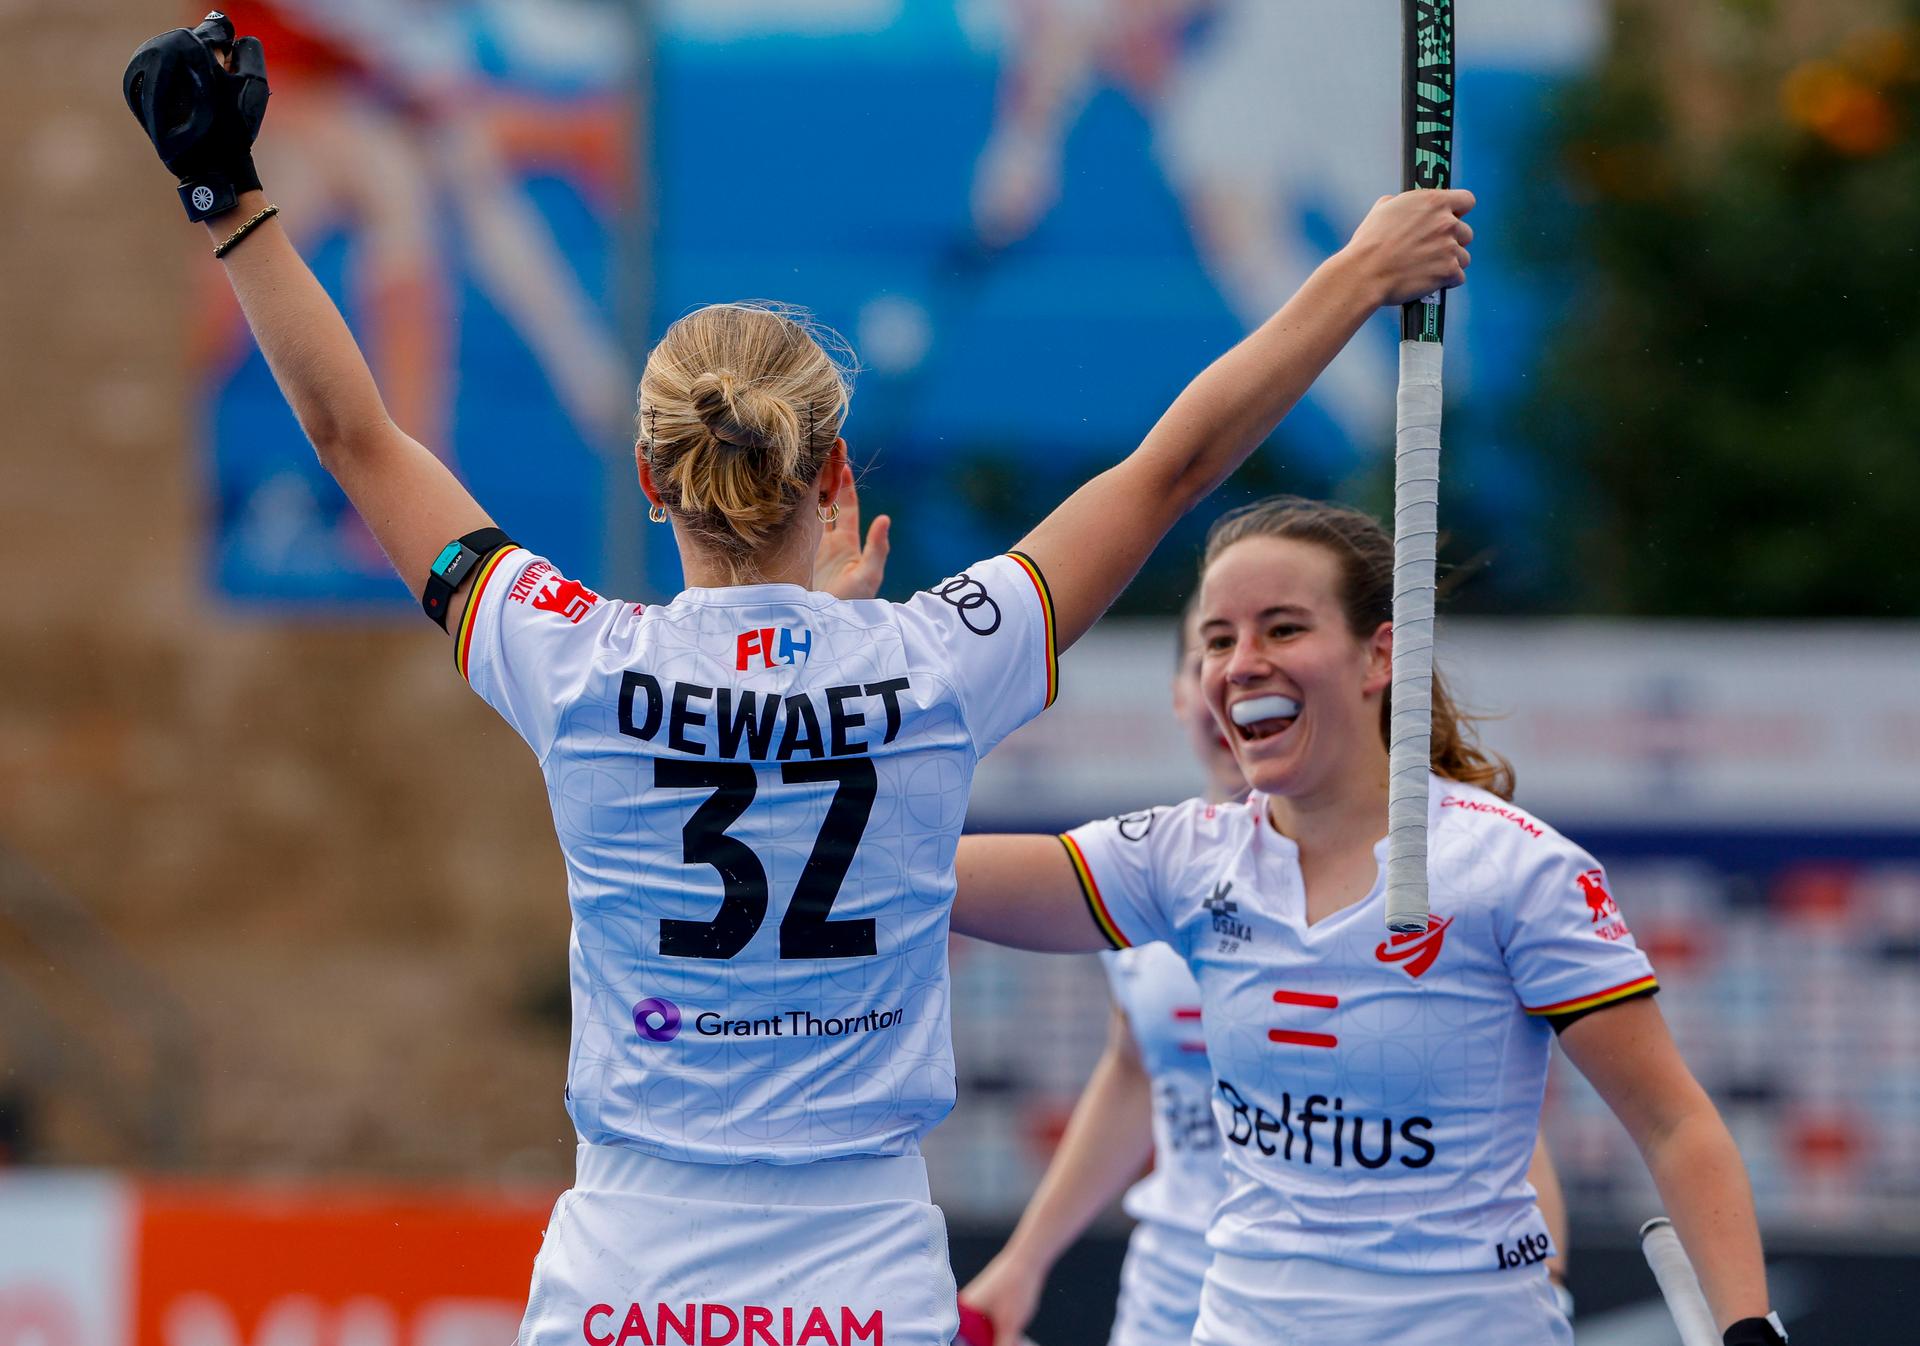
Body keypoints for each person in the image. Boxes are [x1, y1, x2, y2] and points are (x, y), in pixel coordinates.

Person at [122, 15, 1472, 1344]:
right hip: (860, 1267)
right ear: (835, 477)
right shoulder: (937, 658)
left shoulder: (578, 659)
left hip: (627, 1274)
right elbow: (1170, 467)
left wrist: (228, 202)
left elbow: (356, 437)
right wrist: (1356, 271)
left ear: (653, 484)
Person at [951, 498, 1788, 1346]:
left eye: (1282, 629)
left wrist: (1748, 1328)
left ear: (1379, 655)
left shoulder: (1517, 868)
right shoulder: (1183, 856)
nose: (1241, 665)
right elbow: (924, 876)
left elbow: (1673, 1122)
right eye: (1217, 638)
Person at [957, 601, 1573, 1346]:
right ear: (1185, 694)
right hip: (1173, 1297)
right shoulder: (1148, 866)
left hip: (1337, 1305)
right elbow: (1135, 1071)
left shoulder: (1427, 879)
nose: (1242, 680)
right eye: (1209, 654)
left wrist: (1539, 1280)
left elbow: (1488, 1119)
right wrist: (1024, 1262)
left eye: (1278, 640)